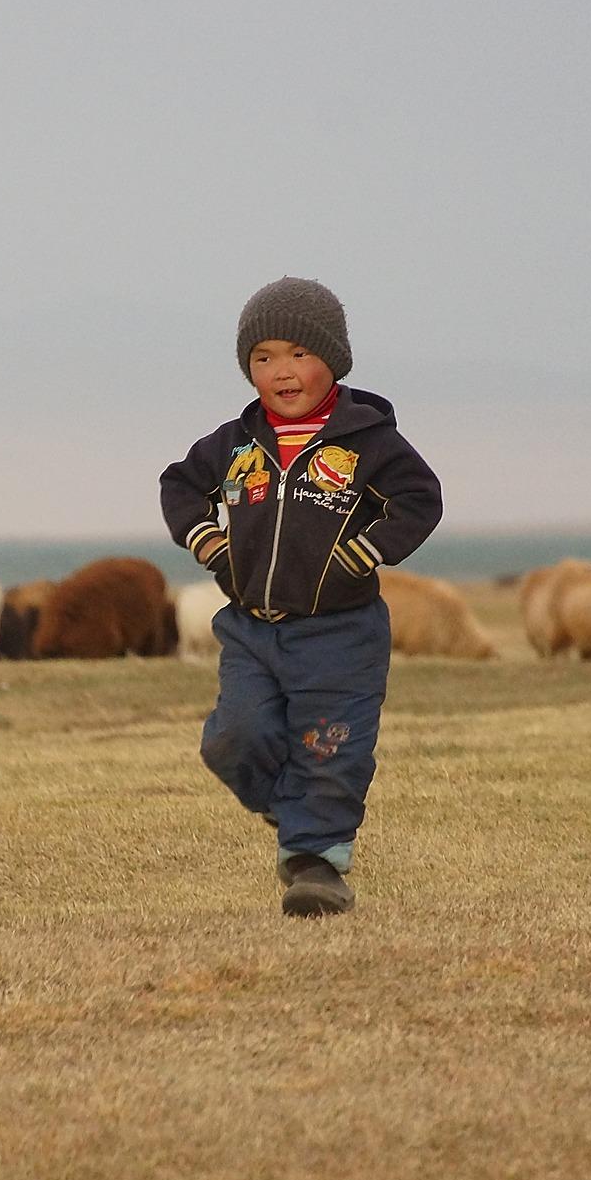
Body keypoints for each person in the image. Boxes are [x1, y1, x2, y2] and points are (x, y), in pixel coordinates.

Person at [160, 276, 442, 916]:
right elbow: (180, 486)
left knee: (329, 747)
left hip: (340, 633)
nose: (281, 371)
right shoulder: (233, 444)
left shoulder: (369, 441)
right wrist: (209, 543)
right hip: (251, 629)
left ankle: (318, 868)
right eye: (263, 357)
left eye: (298, 354)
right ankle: (289, 810)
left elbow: (420, 500)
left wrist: (365, 552)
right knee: (233, 737)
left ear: (332, 360)